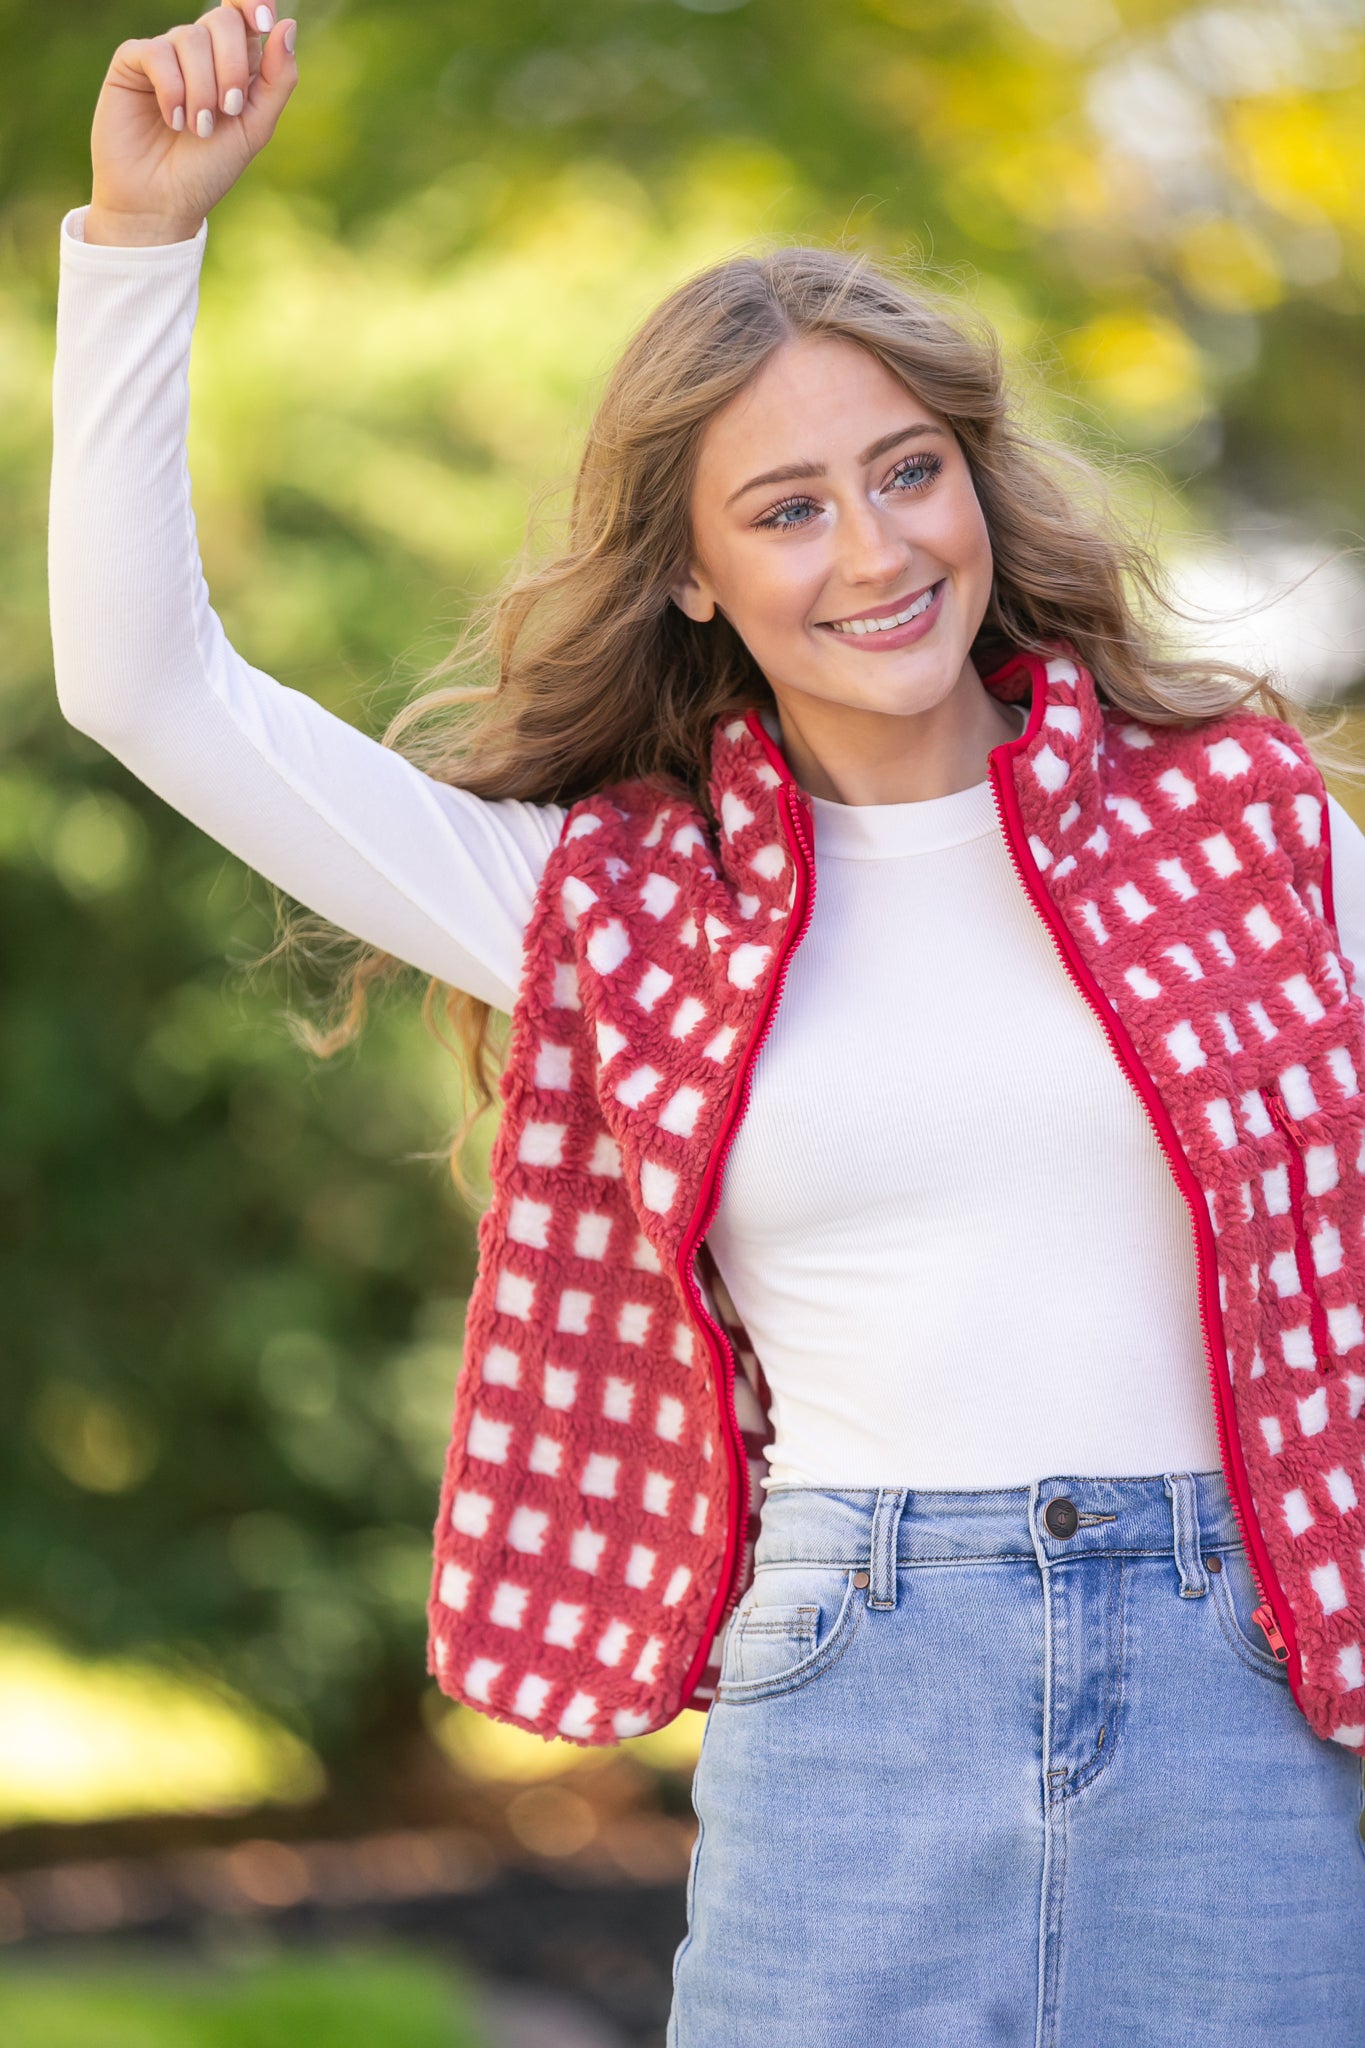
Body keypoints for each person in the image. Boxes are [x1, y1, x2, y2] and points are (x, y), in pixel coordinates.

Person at [50, 8, 1365, 2040]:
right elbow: (145, 683)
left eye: (905, 472)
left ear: (972, 484)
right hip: (853, 1698)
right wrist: (141, 245)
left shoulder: (1237, 821)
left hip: (1241, 1684)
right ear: (686, 570)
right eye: (788, 508)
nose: (875, 551)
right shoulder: (618, 907)